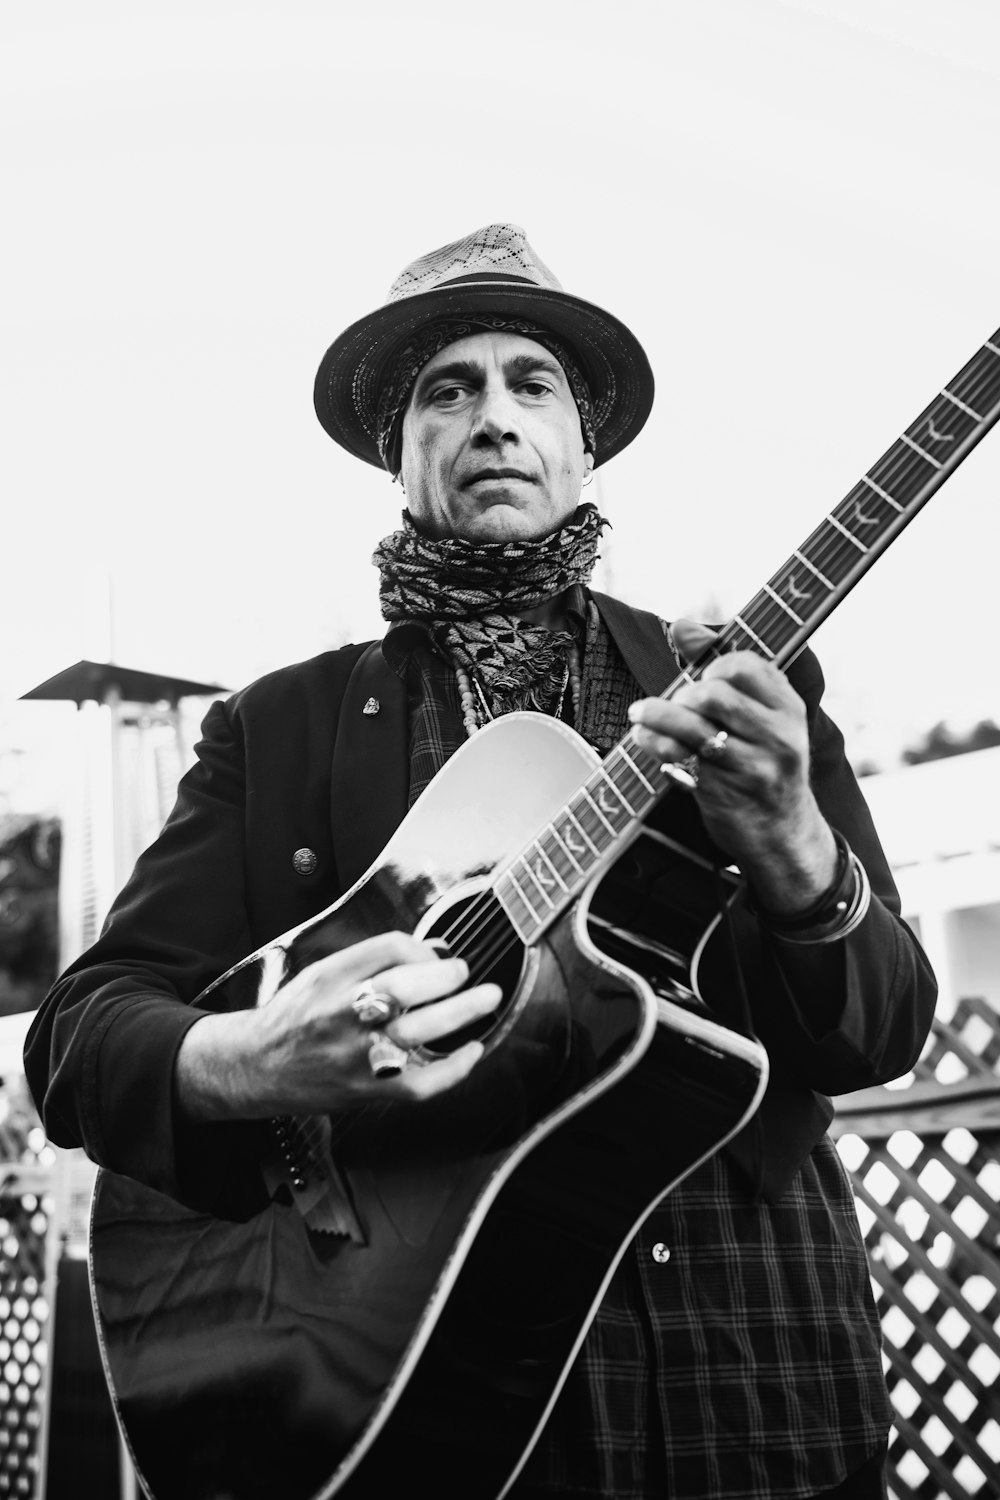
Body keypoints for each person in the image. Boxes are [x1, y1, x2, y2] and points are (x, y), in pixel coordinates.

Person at [25, 223, 936, 1500]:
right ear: (397, 454)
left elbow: (882, 1028)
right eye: (448, 390)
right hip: (424, 1388)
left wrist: (793, 844)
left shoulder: (734, 690)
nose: (494, 417)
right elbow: (76, 1039)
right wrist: (255, 1057)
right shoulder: (279, 727)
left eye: (532, 384)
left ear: (586, 440)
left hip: (747, 1365)